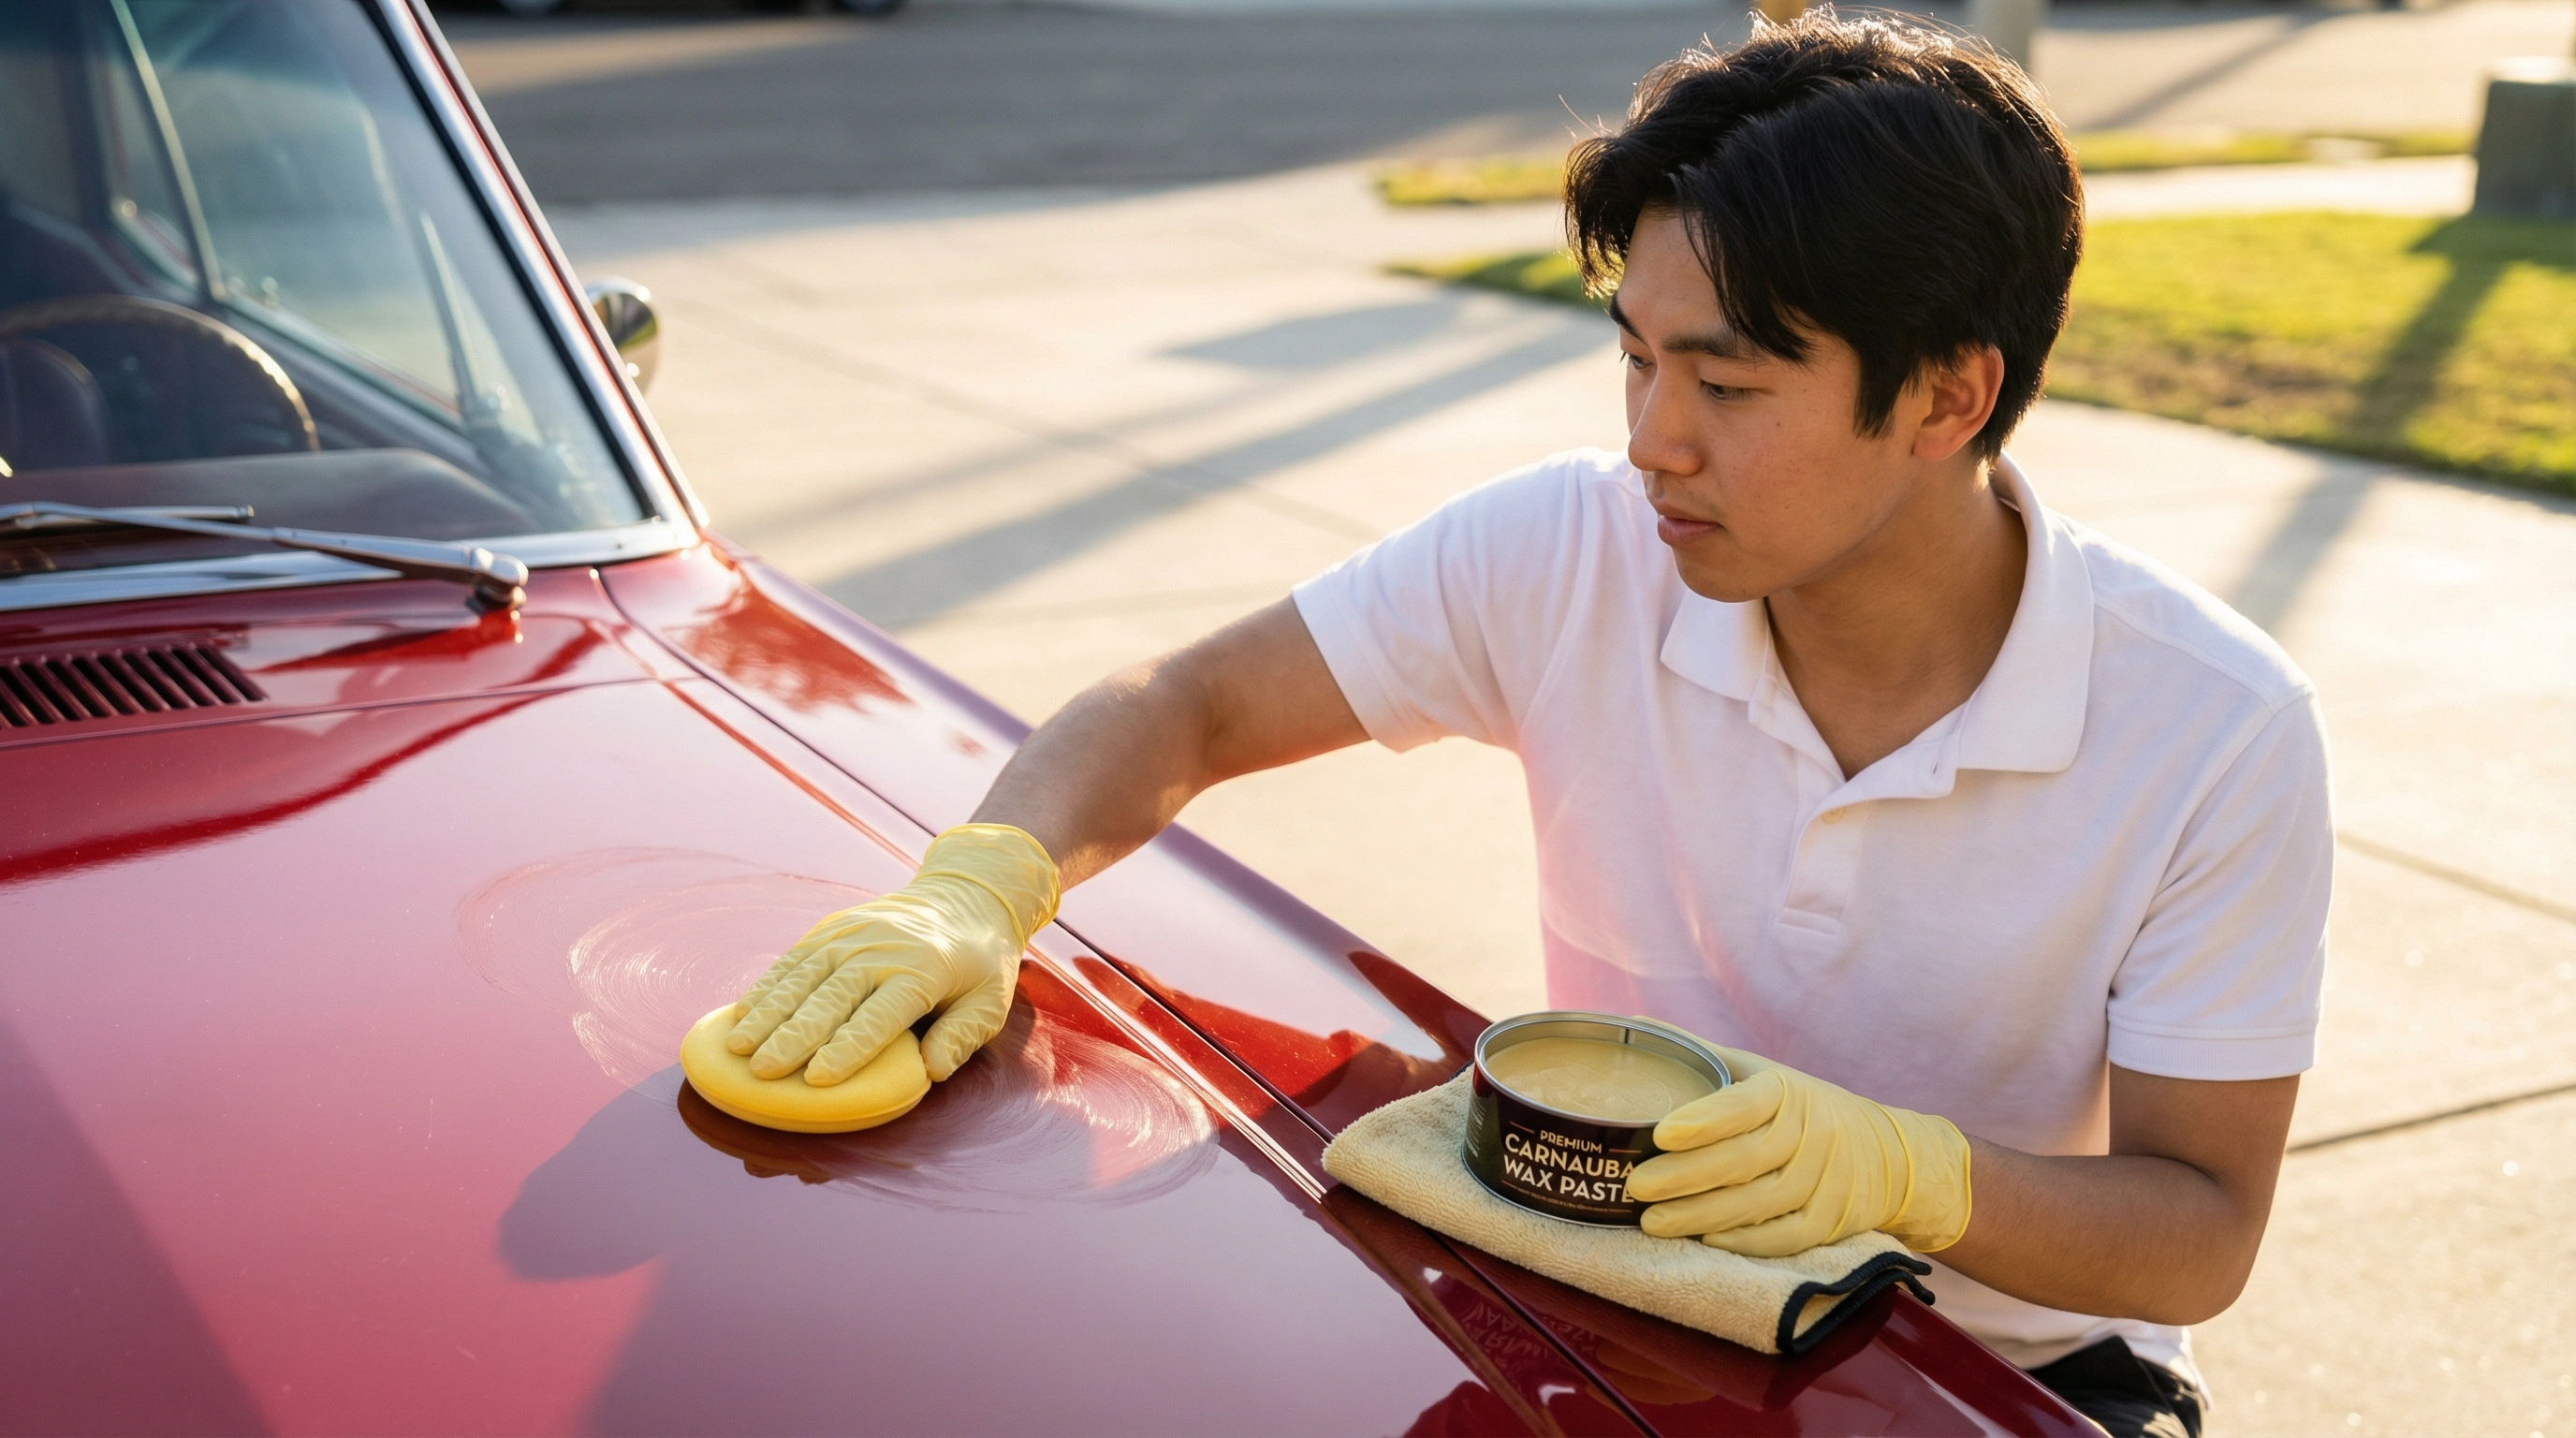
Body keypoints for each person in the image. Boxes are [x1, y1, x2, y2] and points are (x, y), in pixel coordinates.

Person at [718, 15, 2329, 1436]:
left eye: (1729, 386)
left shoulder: (2214, 726)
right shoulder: (1568, 552)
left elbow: (2200, 1226)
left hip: (1999, 1373)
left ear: (1947, 399)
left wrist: (1916, 1177)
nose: (1651, 443)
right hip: (1608, 1287)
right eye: (1632, 361)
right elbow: (1187, 703)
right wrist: (980, 886)